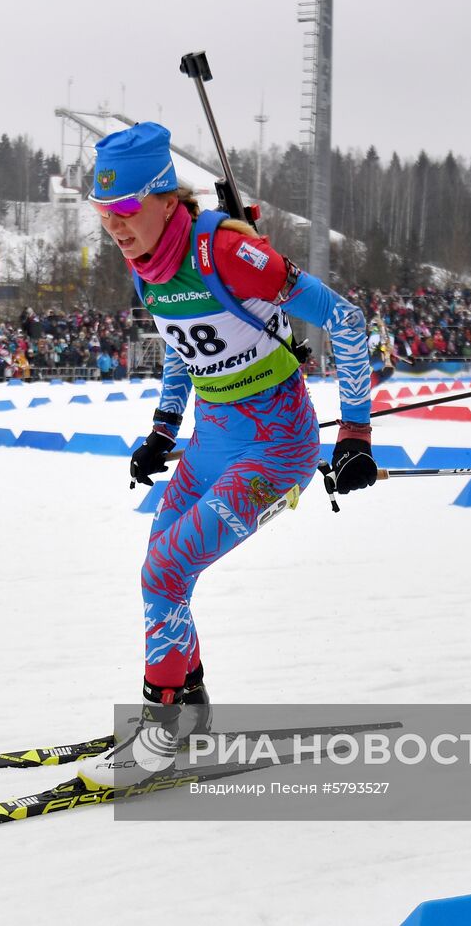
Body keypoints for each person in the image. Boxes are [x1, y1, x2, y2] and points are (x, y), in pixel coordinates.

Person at [75, 123, 377, 789]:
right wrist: (162, 429)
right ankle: (187, 705)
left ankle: (159, 732)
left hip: (275, 447)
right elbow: (186, 348)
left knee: (165, 568)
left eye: (125, 212)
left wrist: (355, 432)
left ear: (164, 199)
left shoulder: (225, 251)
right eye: (104, 217)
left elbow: (348, 322)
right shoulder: (146, 262)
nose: (116, 229)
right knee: (162, 572)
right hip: (212, 439)